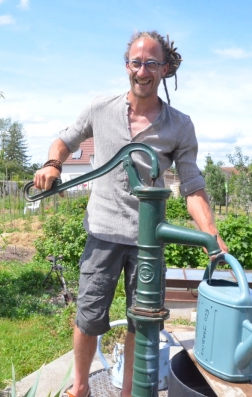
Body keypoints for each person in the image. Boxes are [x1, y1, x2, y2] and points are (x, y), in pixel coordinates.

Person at [33, 30, 228, 397]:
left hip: (148, 241)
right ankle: (80, 388)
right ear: (127, 66)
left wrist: (211, 233)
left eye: (151, 63)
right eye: (136, 62)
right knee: (88, 318)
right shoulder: (100, 107)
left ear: (165, 69)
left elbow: (192, 186)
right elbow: (65, 139)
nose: (143, 70)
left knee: (142, 322)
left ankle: (128, 392)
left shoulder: (179, 125)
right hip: (103, 231)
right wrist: (52, 163)